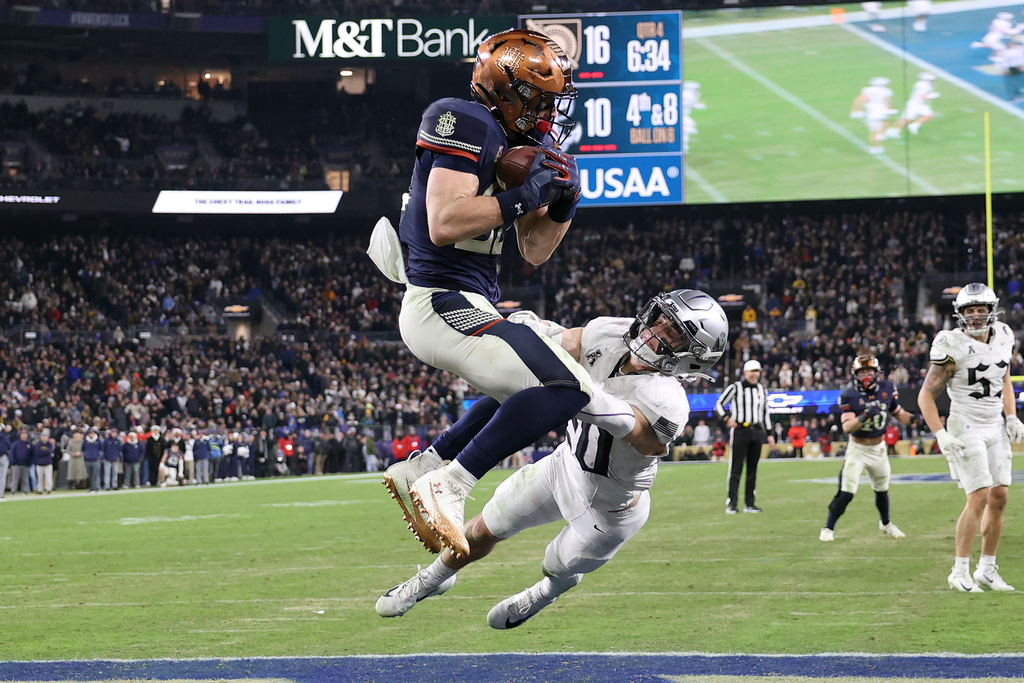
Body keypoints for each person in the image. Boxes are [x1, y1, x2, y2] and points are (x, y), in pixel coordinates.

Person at [373, 29, 646, 558]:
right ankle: (451, 482)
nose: (548, 114)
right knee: (567, 388)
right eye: (541, 100)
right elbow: (445, 221)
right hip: (438, 300)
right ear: (507, 90)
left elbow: (535, 251)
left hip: (472, 300)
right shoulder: (464, 119)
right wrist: (524, 196)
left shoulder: (525, 143)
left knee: (566, 359)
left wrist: (561, 206)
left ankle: (427, 464)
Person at [375, 290, 728, 626]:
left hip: (611, 507)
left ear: (692, 356)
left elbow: (639, 436)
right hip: (564, 466)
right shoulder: (613, 332)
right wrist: (540, 332)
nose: (655, 332)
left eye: (673, 335)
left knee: (556, 565)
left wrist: (580, 390)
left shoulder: (669, 400)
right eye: (660, 319)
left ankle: (545, 593)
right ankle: (433, 579)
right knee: (481, 530)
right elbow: (569, 341)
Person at [918, 283, 1024, 592]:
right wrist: (940, 434)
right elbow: (926, 395)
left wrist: (1012, 414)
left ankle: (987, 570)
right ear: (960, 314)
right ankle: (959, 570)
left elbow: (1003, 376)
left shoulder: (1004, 334)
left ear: (991, 311)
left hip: (995, 423)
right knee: (978, 495)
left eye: (980, 310)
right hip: (965, 424)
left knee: (1000, 495)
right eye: (969, 311)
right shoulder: (951, 343)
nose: (976, 316)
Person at [819, 354, 915, 542]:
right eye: (862, 371)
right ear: (855, 373)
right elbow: (847, 427)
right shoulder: (849, 393)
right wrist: (864, 416)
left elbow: (899, 413)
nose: (865, 375)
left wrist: (916, 420)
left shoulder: (887, 389)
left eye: (869, 371)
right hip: (858, 448)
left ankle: (886, 523)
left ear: (876, 372)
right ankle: (828, 527)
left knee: (882, 489)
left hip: (879, 448)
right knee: (847, 490)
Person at [715, 359, 775, 513]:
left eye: (757, 371)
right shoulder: (736, 387)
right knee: (736, 468)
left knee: (753, 469)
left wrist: (769, 434)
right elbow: (719, 404)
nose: (755, 374)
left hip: (757, 431)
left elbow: (765, 412)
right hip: (741, 430)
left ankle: (750, 503)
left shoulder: (762, 389)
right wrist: (727, 419)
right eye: (752, 371)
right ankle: (732, 503)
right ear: (745, 372)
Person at [850, 77, 897, 154]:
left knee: (874, 130)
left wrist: (857, 110)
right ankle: (877, 144)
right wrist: (890, 109)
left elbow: (860, 100)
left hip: (871, 112)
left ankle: (875, 146)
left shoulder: (867, 90)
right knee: (880, 128)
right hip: (882, 112)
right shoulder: (886, 91)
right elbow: (889, 102)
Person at [886, 72, 939, 138]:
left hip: (921, 104)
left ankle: (914, 125)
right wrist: (932, 96)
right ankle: (893, 131)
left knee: (929, 115)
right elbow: (922, 96)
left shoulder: (922, 84)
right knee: (907, 119)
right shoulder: (924, 86)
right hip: (915, 104)